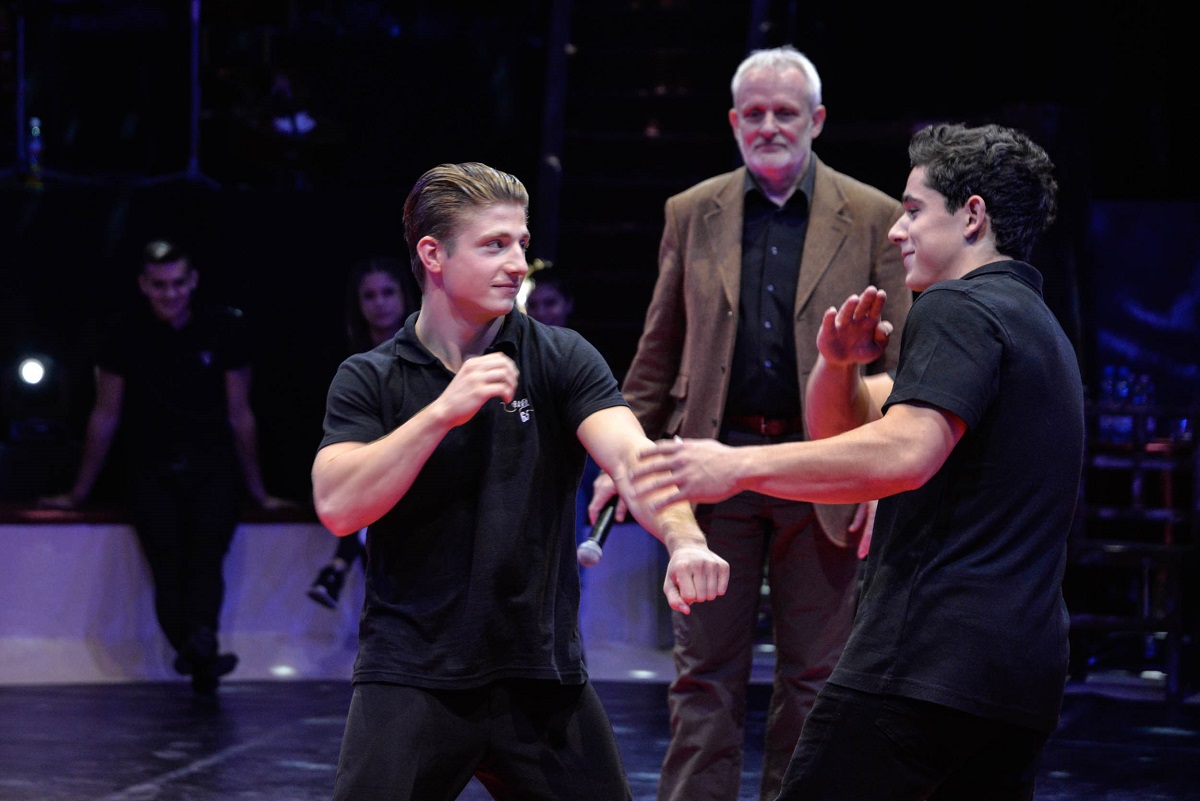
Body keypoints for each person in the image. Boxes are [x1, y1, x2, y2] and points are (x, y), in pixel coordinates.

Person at [632, 122, 1084, 801]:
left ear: (972, 216)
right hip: (1019, 676)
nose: (897, 231)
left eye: (913, 210)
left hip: (923, 664)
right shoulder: (1036, 324)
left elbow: (906, 451)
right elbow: (854, 427)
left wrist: (737, 467)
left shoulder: (958, 307)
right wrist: (837, 366)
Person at [310, 161, 730, 801]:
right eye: (494, 245)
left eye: (521, 244)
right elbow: (339, 506)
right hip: (414, 673)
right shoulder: (370, 377)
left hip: (540, 673)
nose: (516, 264)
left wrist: (684, 538)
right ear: (433, 255)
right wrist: (442, 412)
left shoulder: (561, 356)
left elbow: (633, 460)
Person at [591, 45, 911, 801]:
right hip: (712, 465)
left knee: (817, 675)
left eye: (785, 112)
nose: (770, 126)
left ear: (817, 120)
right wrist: (622, 455)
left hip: (824, 469)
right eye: (755, 113)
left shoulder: (874, 215)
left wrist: (883, 476)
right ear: (734, 122)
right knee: (703, 674)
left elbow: (905, 360)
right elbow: (658, 347)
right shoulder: (691, 210)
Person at [39, 239, 290, 695]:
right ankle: (201, 654)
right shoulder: (122, 334)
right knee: (167, 564)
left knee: (206, 560)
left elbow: (240, 414)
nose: (169, 294)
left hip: (213, 467)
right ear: (143, 285)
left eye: (177, 283)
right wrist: (78, 493)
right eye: (159, 285)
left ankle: (199, 652)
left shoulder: (222, 329)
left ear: (193, 281)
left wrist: (257, 490)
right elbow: (105, 415)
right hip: (150, 469)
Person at [307, 257, 421, 609]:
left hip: (418, 465)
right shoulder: (343, 358)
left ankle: (337, 567)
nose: (380, 303)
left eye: (388, 292)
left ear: (404, 295)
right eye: (369, 296)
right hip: (365, 470)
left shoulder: (428, 349)